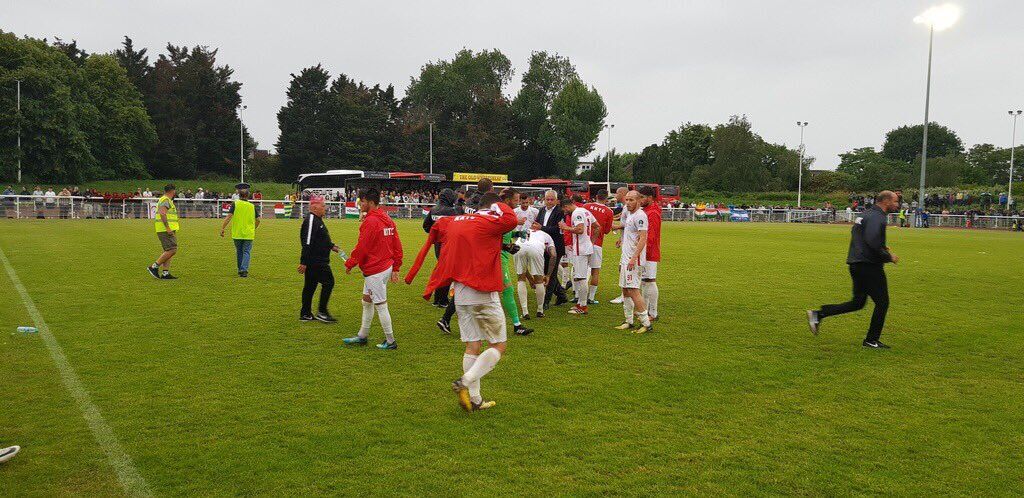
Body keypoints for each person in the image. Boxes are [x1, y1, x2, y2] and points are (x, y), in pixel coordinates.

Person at [405, 192, 518, 412]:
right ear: (493, 206)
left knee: (473, 345)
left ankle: (475, 399)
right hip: (482, 290)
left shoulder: (458, 221)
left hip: (461, 292)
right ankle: (464, 382)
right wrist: (499, 205)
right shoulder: (489, 220)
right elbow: (511, 219)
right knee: (499, 345)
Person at [806, 190, 901, 349]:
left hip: (855, 264)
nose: (898, 205)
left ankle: (819, 314)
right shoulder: (878, 217)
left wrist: (880, 246)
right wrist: (888, 256)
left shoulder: (866, 214)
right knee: (882, 303)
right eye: (896, 202)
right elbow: (871, 241)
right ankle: (871, 340)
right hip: (869, 266)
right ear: (886, 202)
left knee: (857, 302)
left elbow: (860, 236)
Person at [342, 188, 404, 350]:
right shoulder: (387, 219)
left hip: (375, 269)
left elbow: (362, 247)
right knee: (367, 301)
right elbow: (396, 244)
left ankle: (391, 341)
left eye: (361, 201)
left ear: (369, 202)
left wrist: (350, 263)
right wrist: (396, 266)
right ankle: (362, 335)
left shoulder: (370, 222)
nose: (359, 204)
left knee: (381, 305)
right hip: (385, 266)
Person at [614, 191, 654, 334]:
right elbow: (630, 233)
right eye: (627, 200)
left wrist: (633, 257)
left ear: (638, 201)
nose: (628, 202)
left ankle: (646, 323)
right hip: (625, 258)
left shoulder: (640, 216)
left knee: (633, 290)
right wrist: (621, 240)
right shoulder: (630, 214)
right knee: (625, 289)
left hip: (633, 259)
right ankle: (629, 321)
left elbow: (643, 238)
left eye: (631, 200)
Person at [298, 195, 341, 323]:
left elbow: (319, 239)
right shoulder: (311, 220)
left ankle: (305, 313)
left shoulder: (316, 219)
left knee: (310, 286)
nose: (325, 208)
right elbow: (308, 242)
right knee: (329, 282)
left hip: (315, 259)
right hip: (316, 261)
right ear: (314, 207)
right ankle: (322, 312)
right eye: (323, 206)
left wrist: (331, 245)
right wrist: (303, 262)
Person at [497, 188, 533, 336]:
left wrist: (517, 233)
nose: (518, 203)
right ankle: (517, 325)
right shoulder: (501, 214)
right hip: (496, 258)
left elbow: (504, 233)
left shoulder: (502, 212)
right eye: (516, 200)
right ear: (507, 200)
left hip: (500, 256)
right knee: (508, 289)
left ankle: (446, 318)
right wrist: (506, 246)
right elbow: (491, 235)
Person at [559, 195, 600, 315]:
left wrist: (565, 227)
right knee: (579, 276)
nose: (565, 212)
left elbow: (580, 229)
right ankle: (581, 304)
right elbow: (597, 227)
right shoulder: (585, 211)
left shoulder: (576, 213)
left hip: (580, 249)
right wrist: (591, 242)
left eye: (564, 210)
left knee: (581, 278)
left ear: (566, 206)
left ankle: (582, 306)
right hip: (586, 247)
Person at [423, 188, 462, 307]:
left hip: (439, 245)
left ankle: (438, 299)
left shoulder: (434, 210)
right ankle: (442, 300)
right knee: (447, 271)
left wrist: (436, 235)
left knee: (442, 269)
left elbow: (426, 226)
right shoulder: (454, 210)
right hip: (451, 244)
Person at [533, 190, 568, 308]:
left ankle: (545, 301)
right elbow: (537, 223)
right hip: (543, 245)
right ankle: (561, 295)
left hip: (556, 246)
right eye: (547, 199)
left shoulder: (560, 212)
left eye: (552, 199)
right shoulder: (542, 210)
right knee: (546, 271)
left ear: (557, 200)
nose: (549, 201)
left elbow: (558, 230)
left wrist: (541, 228)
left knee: (551, 273)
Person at [515, 225, 557, 319]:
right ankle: (540, 311)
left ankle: (525, 312)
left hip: (519, 246)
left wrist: (530, 279)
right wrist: (548, 275)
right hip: (536, 248)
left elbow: (524, 270)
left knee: (520, 278)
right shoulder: (548, 237)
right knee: (539, 281)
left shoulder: (525, 231)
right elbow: (553, 256)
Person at [220, 184, 260, 277]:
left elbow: (229, 217)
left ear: (239, 195)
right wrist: (254, 228)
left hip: (237, 232)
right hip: (248, 233)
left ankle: (240, 269)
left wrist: (223, 228)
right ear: (248, 195)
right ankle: (244, 270)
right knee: (246, 251)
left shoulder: (235, 204)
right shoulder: (252, 206)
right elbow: (258, 220)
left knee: (239, 251)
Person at [583, 190, 615, 304]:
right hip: (597, 243)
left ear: (596, 196)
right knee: (595, 271)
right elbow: (606, 231)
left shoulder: (586, 206)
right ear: (606, 199)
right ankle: (591, 298)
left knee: (580, 270)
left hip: (583, 242)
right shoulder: (609, 211)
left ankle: (578, 296)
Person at [638, 185, 662, 321]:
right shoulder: (647, 211)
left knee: (649, 280)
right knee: (645, 281)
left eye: (642, 197)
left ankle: (653, 313)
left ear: (650, 198)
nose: (640, 200)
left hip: (649, 252)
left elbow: (650, 237)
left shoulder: (652, 213)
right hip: (645, 251)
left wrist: (641, 250)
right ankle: (647, 310)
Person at [148, 184, 180, 280]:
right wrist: (168, 228)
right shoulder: (165, 200)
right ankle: (154, 267)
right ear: (173, 191)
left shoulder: (166, 199)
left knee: (168, 250)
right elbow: (162, 213)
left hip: (167, 229)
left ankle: (165, 273)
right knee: (172, 250)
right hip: (165, 229)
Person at [610, 187, 630, 305]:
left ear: (622, 193)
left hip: (629, 244)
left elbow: (629, 224)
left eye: (616, 193)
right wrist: (620, 238)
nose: (615, 195)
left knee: (623, 268)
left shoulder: (628, 207)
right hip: (625, 241)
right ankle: (625, 294)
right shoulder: (625, 207)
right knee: (622, 268)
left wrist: (616, 227)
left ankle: (625, 295)